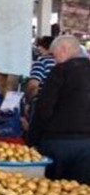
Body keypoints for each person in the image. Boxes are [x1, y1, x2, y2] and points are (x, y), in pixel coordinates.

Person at [28, 35, 90, 184]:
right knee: (82, 192)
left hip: (57, 143)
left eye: (55, 56)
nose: (54, 61)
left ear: (65, 49)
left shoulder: (60, 71)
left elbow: (44, 108)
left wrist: (31, 140)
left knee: (53, 190)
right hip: (87, 145)